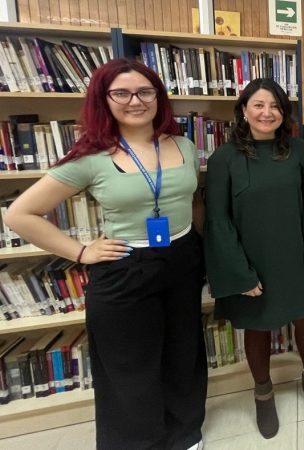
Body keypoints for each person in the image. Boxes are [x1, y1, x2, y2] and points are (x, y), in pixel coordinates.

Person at [5, 59, 207, 450]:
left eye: (145, 91)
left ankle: (184, 434)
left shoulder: (182, 144)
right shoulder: (91, 157)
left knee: (183, 352)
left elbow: (193, 200)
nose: (135, 101)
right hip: (126, 267)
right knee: (130, 366)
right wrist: (80, 251)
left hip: (182, 259)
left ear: (158, 97)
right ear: (105, 99)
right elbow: (19, 214)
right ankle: (141, 443)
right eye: (122, 93)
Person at [204, 78, 304, 440]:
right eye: (258, 105)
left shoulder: (299, 151)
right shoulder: (223, 160)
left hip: (296, 255)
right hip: (250, 261)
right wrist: (239, 274)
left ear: (283, 112)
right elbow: (217, 220)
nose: (267, 112)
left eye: (274, 106)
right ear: (243, 110)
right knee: (258, 325)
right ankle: (263, 392)